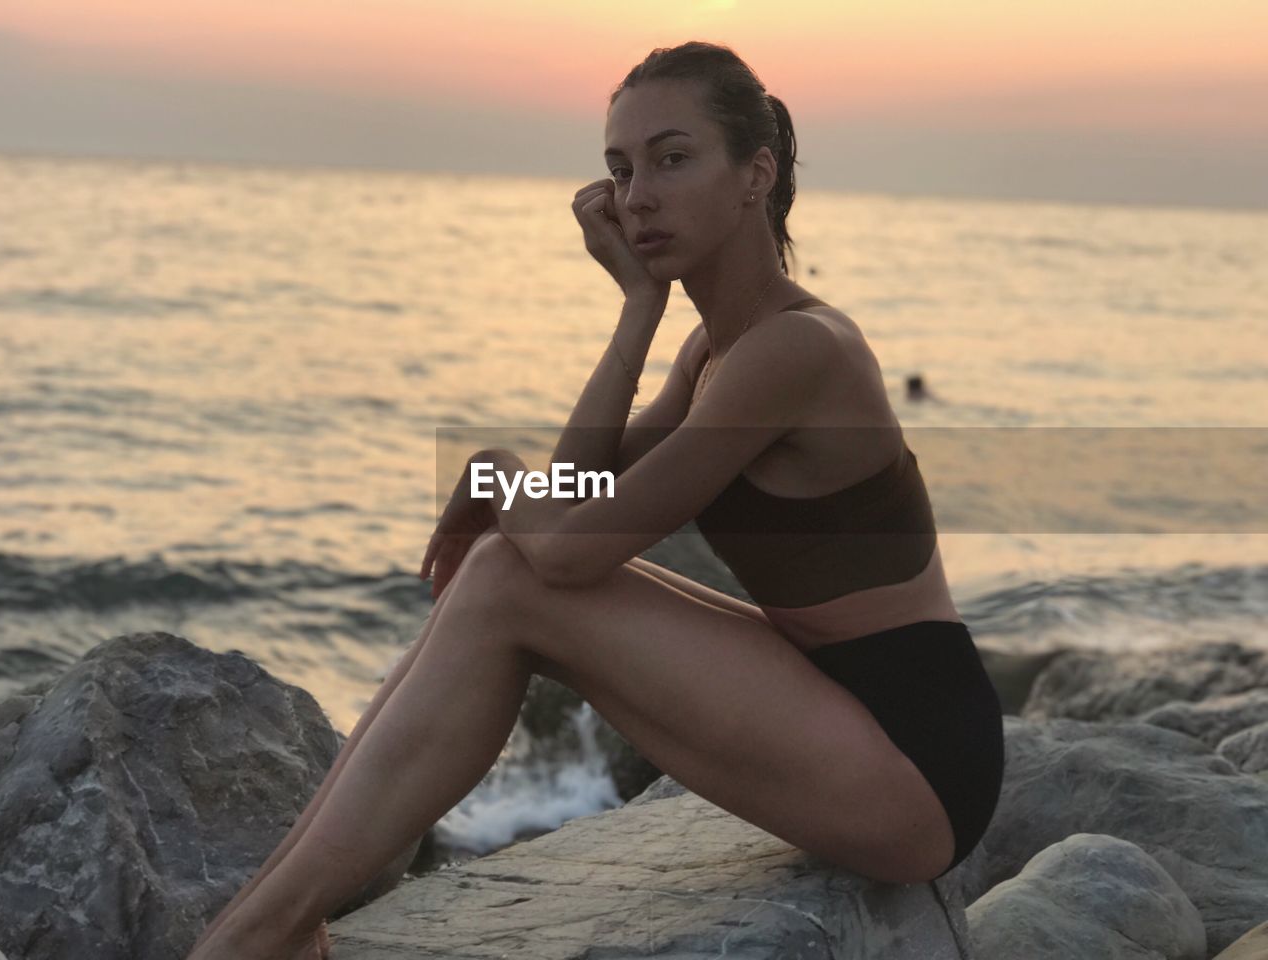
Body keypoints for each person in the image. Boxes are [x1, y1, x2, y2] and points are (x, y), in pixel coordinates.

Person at [186, 40, 1004, 960]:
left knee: (512, 578)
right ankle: (278, 923)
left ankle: (253, 939)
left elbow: (570, 548)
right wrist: (637, 312)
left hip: (914, 767)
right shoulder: (715, 352)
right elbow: (578, 491)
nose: (637, 195)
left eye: (672, 157)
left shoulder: (797, 350)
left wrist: (496, 470)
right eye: (620, 168)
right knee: (506, 568)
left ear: (755, 174)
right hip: (836, 711)